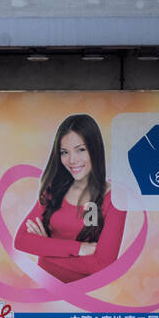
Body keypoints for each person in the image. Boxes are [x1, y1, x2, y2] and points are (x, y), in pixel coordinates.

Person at [14, 113, 128, 284]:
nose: (72, 160)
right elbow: (21, 240)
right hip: (44, 288)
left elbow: (103, 265)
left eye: (81, 149)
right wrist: (79, 248)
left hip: (84, 296)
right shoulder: (54, 190)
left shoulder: (115, 198)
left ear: (94, 149)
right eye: (64, 152)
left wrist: (46, 248)